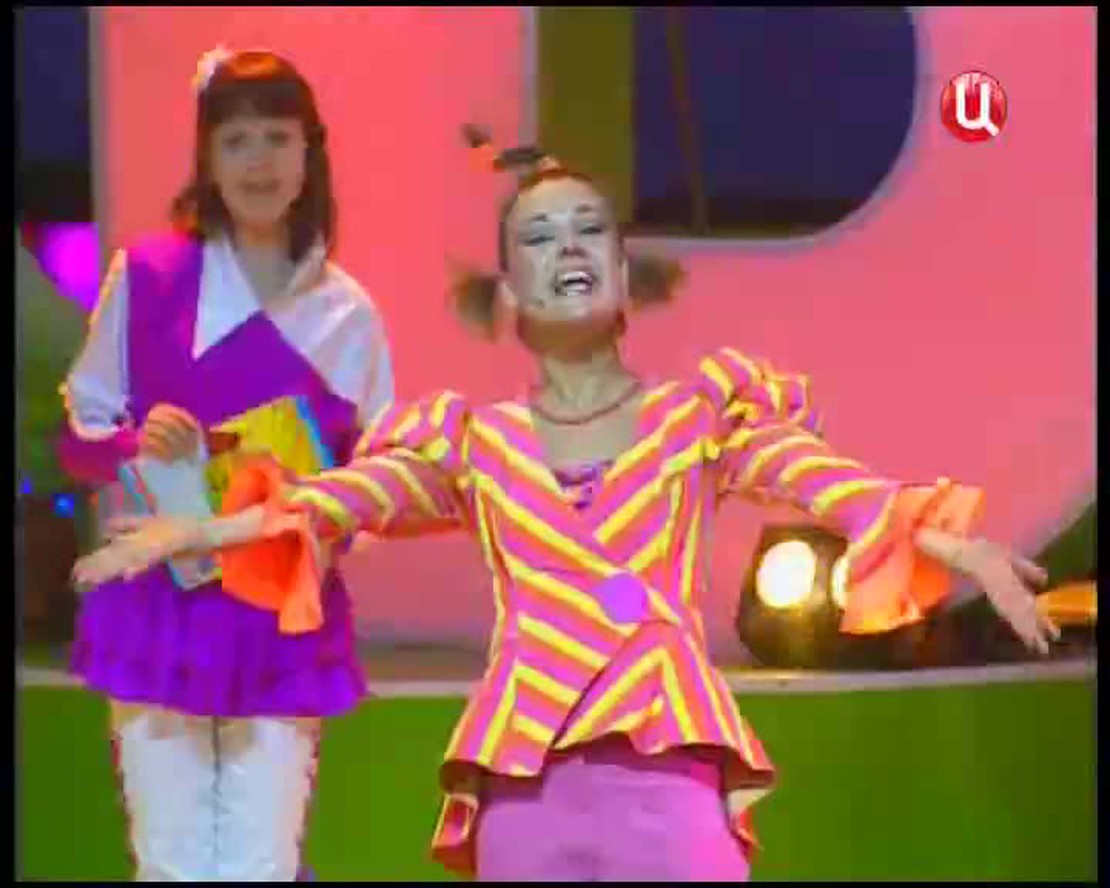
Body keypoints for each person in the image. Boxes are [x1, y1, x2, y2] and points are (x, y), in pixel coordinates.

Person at [72, 131, 1059, 882]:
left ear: (625, 276)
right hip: (526, 785)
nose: (569, 248)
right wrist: (199, 530)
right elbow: (332, 504)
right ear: (510, 295)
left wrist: (957, 547)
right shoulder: (473, 441)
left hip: (671, 773)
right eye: (539, 239)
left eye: (590, 231)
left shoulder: (695, 419)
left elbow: (828, 483)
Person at [59, 47, 394, 881]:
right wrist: (136, 445)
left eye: (277, 138)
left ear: (310, 153)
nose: (258, 161)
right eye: (236, 140)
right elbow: (80, 441)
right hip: (158, 613)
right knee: (170, 864)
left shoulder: (347, 315)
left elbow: (376, 486)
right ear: (206, 157)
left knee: (260, 866)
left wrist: (305, 524)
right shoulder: (148, 276)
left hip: (279, 626)